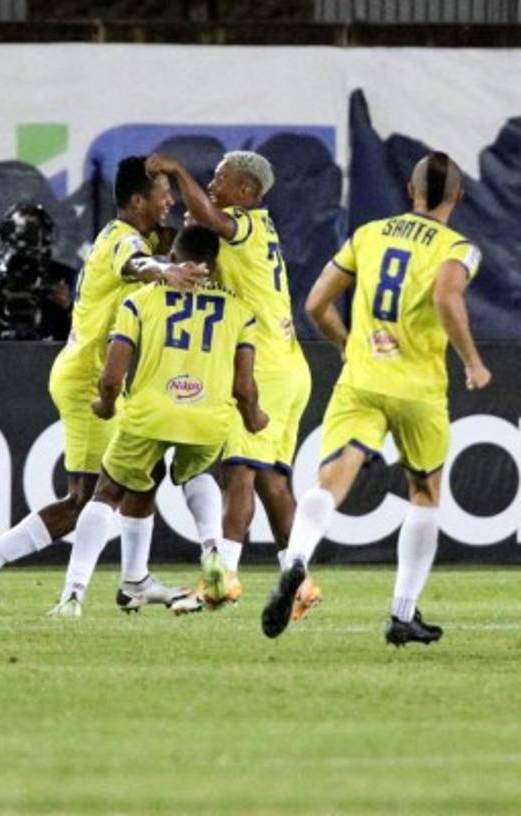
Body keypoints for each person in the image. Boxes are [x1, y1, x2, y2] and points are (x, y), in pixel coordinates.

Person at [0, 156, 212, 617]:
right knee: (88, 498)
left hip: (105, 377)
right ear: (137, 200)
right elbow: (138, 264)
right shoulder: (122, 240)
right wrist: (166, 272)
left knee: (144, 476)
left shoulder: (142, 235)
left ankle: (136, 580)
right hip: (88, 379)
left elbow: (173, 242)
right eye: (162, 193)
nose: (169, 201)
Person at [264, 152, 490, 643]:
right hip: (418, 389)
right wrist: (472, 360)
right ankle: (402, 613)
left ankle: (297, 560)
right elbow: (447, 297)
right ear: (457, 196)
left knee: (333, 476)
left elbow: (317, 304)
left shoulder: (368, 234)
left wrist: (348, 345)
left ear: (410, 192)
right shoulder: (460, 248)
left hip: (363, 378)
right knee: (425, 492)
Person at [147, 151, 322, 617]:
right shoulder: (255, 231)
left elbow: (206, 218)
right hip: (288, 365)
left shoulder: (245, 224)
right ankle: (300, 581)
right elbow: (194, 237)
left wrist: (177, 171)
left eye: (219, 179)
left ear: (246, 192)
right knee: (271, 480)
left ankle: (220, 578)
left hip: (266, 367)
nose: (211, 185)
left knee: (239, 472)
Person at [71, 226, 268, 611]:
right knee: (199, 475)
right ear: (213, 265)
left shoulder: (141, 301)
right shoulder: (240, 311)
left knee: (106, 495)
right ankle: (212, 550)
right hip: (208, 418)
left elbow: (111, 376)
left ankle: (73, 594)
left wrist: (107, 406)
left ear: (173, 258)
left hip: (149, 415)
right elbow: (244, 387)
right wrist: (253, 417)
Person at [0, 202, 74, 341]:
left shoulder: (60, 276)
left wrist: (68, 307)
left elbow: (84, 331)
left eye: (32, 233)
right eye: (20, 233)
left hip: (48, 356)